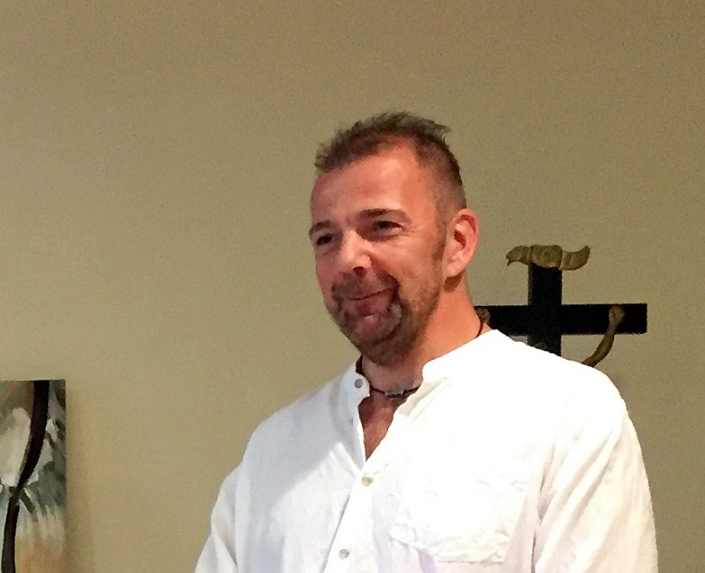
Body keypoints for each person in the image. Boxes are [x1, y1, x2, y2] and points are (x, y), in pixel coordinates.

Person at [195, 112, 657, 572]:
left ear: (457, 243)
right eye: (326, 238)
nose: (348, 258)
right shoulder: (276, 448)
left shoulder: (568, 416)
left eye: (382, 226)